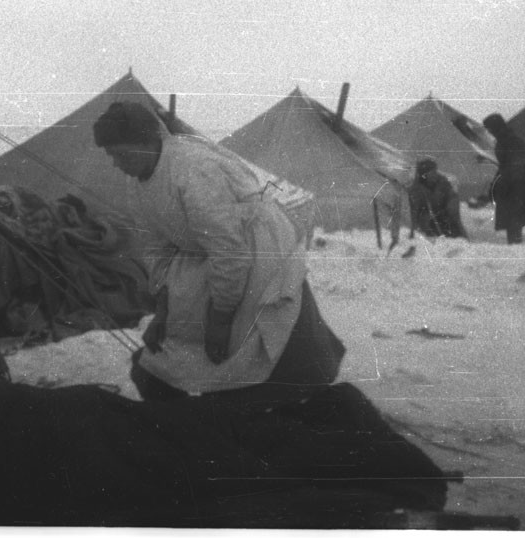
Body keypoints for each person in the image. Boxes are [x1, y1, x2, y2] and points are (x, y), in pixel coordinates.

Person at [93, 102, 344, 410]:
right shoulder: (136, 185)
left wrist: (220, 319)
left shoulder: (194, 170)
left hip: (256, 251)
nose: (116, 164)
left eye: (121, 154)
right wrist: (163, 308)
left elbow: (230, 250)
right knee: (184, 342)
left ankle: (291, 401)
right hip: (206, 254)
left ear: (147, 142)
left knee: (265, 334)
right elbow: (156, 249)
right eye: (111, 156)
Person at [482, 113, 525, 244]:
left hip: (519, 182)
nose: (489, 132)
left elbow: (516, 164)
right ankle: (513, 243)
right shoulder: (504, 140)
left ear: (496, 127)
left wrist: (503, 182)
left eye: (490, 129)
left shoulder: (512, 141)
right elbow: (504, 164)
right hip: (511, 180)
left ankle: (515, 246)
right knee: (510, 216)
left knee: (514, 216)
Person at [408, 158, 468, 240]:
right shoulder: (416, 190)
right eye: (431, 172)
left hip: (443, 216)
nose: (434, 174)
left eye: (434, 171)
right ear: (424, 174)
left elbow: (451, 196)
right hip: (426, 219)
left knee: (454, 228)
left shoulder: (442, 183)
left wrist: (452, 202)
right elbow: (414, 213)